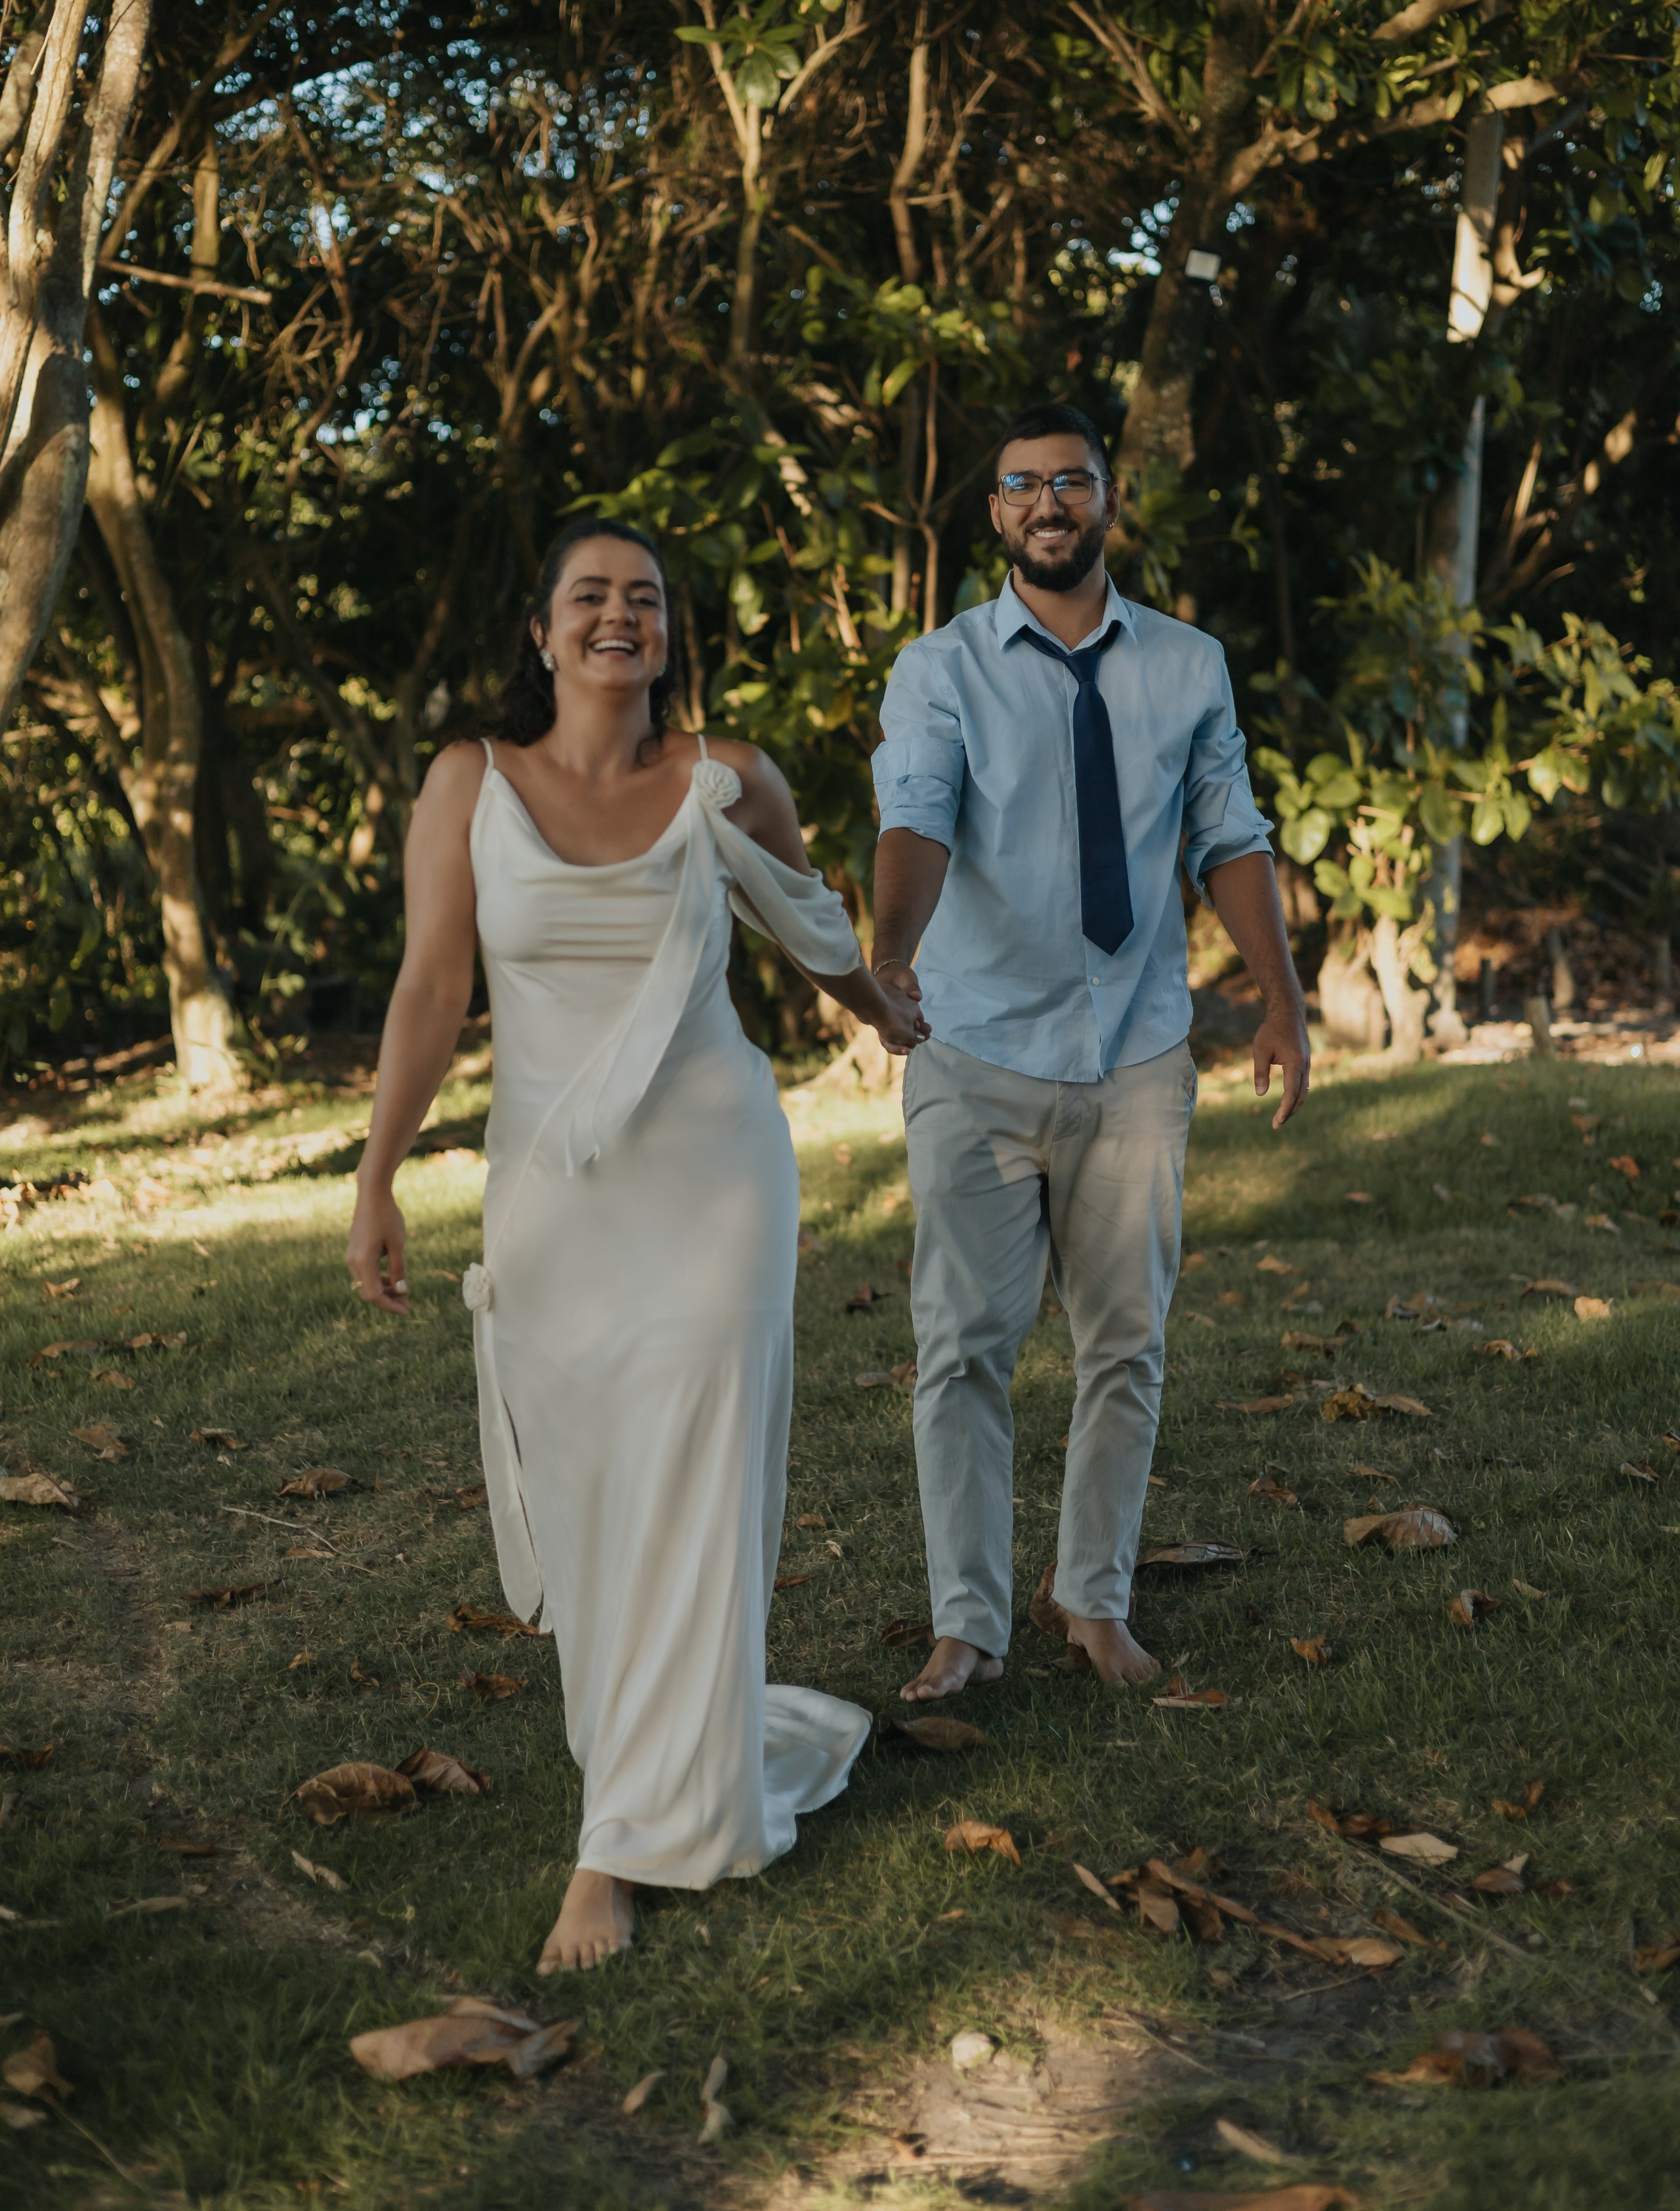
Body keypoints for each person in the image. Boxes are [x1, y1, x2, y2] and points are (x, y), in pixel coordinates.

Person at [346, 519, 925, 1971]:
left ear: (666, 636)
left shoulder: (726, 781)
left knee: (696, 1469)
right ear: (540, 633)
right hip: (552, 1192)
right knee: (599, 1489)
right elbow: (430, 990)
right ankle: (651, 1759)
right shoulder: (468, 784)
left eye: (645, 601)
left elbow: (807, 929)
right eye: (589, 597)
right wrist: (376, 1177)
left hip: (714, 1176)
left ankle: (614, 1851)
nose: (619, 617)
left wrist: (884, 1010)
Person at [869, 402, 1310, 1702]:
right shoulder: (937, 669)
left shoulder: (1186, 665)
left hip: (1134, 1058)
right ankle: (967, 1623)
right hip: (976, 1052)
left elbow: (1227, 835)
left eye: (1070, 482)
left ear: (1107, 502)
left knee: (1125, 1341)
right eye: (1021, 487)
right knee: (962, 1346)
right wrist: (889, 954)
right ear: (993, 515)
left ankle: (1094, 1598)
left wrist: (1276, 1001)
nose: (1047, 504)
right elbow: (916, 818)